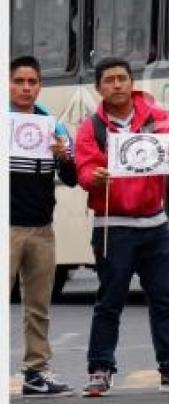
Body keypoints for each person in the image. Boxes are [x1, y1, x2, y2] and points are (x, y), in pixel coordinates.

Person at [75, 57, 169, 397]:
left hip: (155, 224)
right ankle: (100, 368)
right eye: (109, 80)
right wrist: (95, 177)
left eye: (122, 78)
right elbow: (84, 169)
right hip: (113, 226)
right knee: (110, 302)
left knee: (165, 299)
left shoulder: (155, 116)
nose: (117, 84)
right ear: (99, 88)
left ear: (131, 82)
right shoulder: (91, 128)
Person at [10, 56, 77, 397]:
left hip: (41, 229)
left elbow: (73, 177)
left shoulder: (54, 125)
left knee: (38, 307)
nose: (25, 88)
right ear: (8, 84)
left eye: (32, 82)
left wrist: (64, 156)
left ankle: (36, 373)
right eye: (19, 81)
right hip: (7, 228)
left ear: (40, 86)